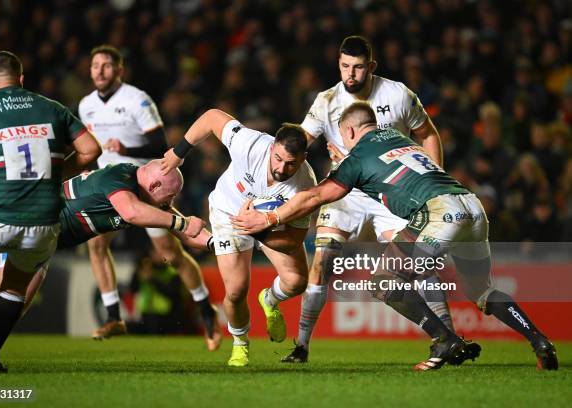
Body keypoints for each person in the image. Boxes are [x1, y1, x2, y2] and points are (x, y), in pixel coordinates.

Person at [232, 102, 558, 371]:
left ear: (348, 132)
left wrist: (270, 216)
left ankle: (444, 339)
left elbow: (316, 197)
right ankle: (538, 340)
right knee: (482, 291)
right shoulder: (402, 140)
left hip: (437, 213)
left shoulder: (357, 157)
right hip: (470, 207)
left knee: (384, 280)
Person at [286, 35, 454, 363]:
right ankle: (301, 346)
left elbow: (428, 134)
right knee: (321, 263)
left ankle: (448, 338)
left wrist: (433, 183)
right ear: (338, 64)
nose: (351, 74)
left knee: (419, 265)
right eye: (345, 66)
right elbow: (298, 143)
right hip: (346, 193)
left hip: (391, 193)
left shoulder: (398, 94)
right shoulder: (326, 101)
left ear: (371, 67)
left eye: (359, 67)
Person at [0, 162, 210, 344]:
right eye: (170, 196)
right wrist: (182, 223)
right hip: (27, 228)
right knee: (5, 300)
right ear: (155, 185)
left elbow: (189, 233)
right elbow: (132, 213)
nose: (171, 202)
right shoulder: (120, 178)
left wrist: (221, 243)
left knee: (15, 306)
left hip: (43, 243)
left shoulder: (146, 195)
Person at [0, 51, 101, 372]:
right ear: (21, 80)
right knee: (11, 293)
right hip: (44, 222)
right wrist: (54, 177)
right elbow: (91, 149)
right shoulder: (52, 108)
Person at [78, 44, 220, 349]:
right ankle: (114, 316)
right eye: (94, 66)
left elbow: (160, 144)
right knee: (96, 244)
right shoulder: (85, 105)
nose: (99, 71)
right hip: (108, 191)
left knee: (172, 256)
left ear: (119, 70)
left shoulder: (137, 100)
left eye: (106, 65)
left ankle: (206, 311)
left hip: (144, 191)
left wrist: (127, 150)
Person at [161, 109, 317, 367]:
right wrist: (178, 153)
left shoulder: (305, 186)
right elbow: (211, 118)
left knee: (297, 281)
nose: (281, 168)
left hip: (270, 225)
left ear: (304, 158)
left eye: (291, 163)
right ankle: (240, 344)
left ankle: (269, 300)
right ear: (271, 147)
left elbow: (292, 241)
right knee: (235, 291)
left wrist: (258, 229)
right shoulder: (251, 143)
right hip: (229, 213)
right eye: (277, 158)